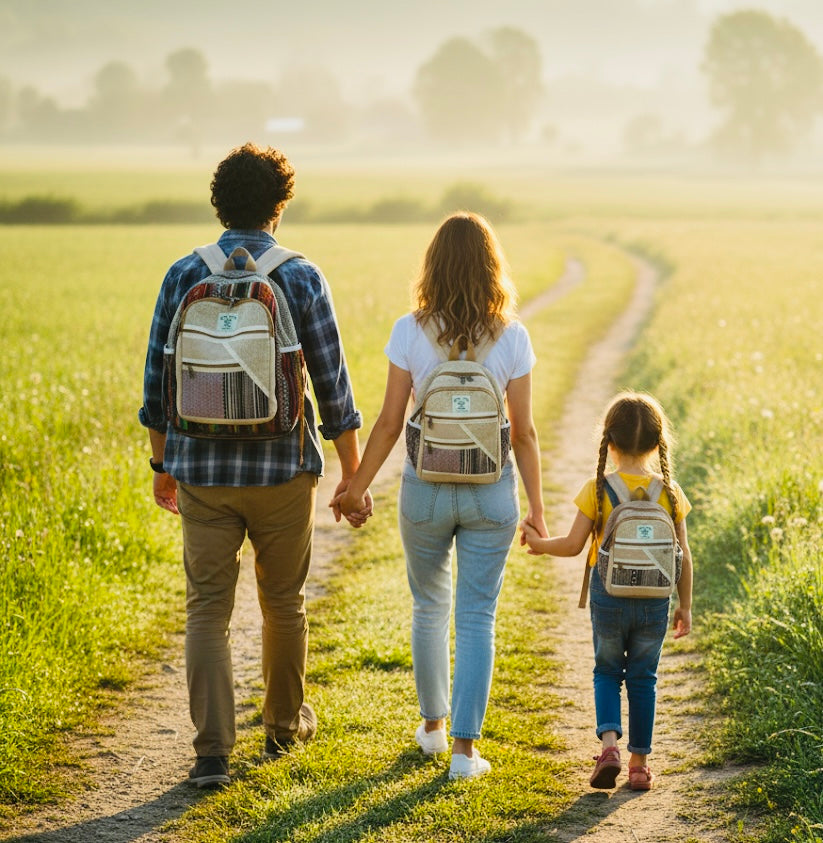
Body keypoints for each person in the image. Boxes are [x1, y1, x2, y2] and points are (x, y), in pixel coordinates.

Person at [139, 142, 370, 788]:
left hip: (202, 473)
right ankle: (282, 727)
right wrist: (350, 477)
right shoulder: (300, 275)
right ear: (279, 204)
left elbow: (158, 379)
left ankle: (211, 751)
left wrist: (162, 462)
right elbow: (333, 388)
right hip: (282, 471)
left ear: (219, 203)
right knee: (284, 601)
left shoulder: (184, 273)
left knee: (206, 607)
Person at [335, 212, 548, 780]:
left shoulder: (409, 330)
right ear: (492, 268)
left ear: (433, 265)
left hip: (424, 491)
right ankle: (464, 752)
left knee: (429, 607)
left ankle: (431, 730)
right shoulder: (514, 336)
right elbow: (523, 433)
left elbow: (386, 423)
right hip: (490, 494)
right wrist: (537, 511)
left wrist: (355, 489)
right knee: (477, 616)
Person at [522, 390, 694, 791]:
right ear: (657, 443)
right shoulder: (670, 492)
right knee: (643, 678)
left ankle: (610, 745)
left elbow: (572, 545)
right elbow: (683, 554)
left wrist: (537, 543)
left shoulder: (598, 489)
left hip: (609, 596)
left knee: (606, 670)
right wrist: (685, 605)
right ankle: (639, 765)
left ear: (609, 442)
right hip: (655, 601)